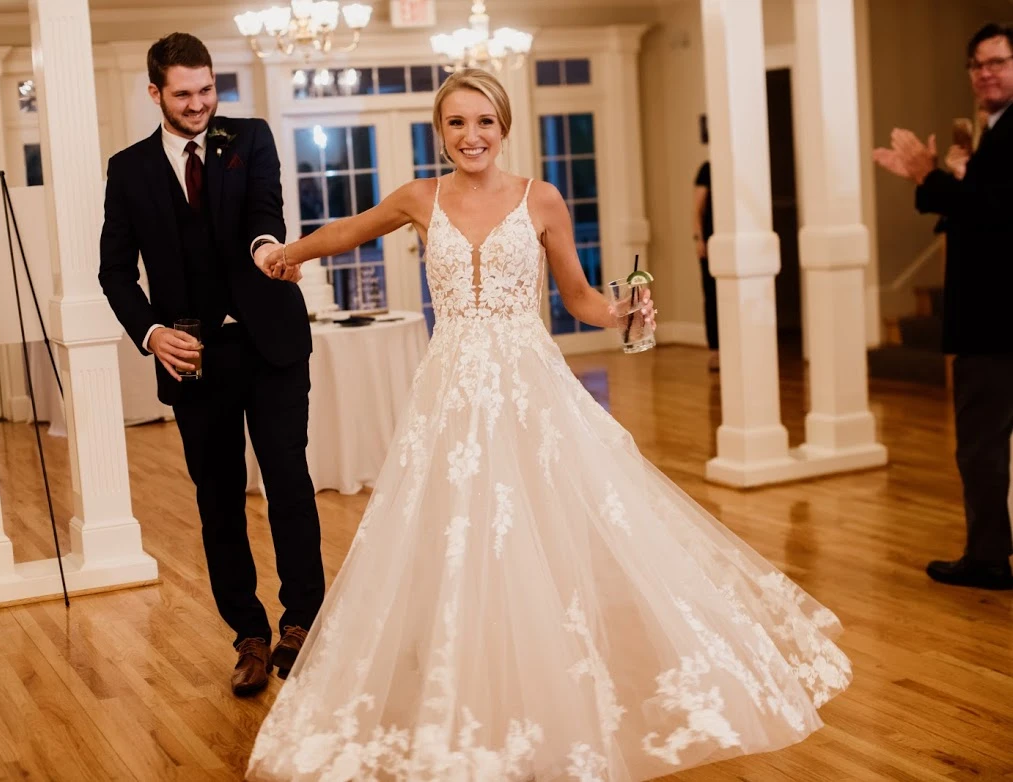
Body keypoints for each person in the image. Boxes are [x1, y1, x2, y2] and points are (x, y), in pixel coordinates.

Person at [246, 69, 850, 781]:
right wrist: (282, 253)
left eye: (484, 123)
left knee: (543, 524)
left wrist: (623, 312)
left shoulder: (541, 199)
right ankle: (469, 673)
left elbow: (579, 297)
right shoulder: (418, 198)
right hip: (449, 388)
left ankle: (554, 678)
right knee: (452, 527)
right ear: (440, 133)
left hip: (528, 381)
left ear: (503, 128)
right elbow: (347, 232)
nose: (470, 136)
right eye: (456, 124)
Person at [97, 32, 325, 697]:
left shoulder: (248, 138)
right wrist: (150, 333)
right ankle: (248, 637)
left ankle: (301, 623)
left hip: (271, 345)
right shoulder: (129, 169)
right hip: (194, 360)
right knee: (218, 501)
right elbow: (113, 274)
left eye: (206, 90)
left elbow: (264, 213)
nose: (199, 105)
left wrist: (267, 249)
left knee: (288, 481)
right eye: (183, 94)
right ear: (155, 93)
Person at [873, 22, 1013, 591]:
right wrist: (954, 176)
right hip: (995, 315)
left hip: (996, 318)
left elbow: (995, 214)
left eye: (998, 62)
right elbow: (986, 208)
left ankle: (987, 558)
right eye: (978, 65)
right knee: (985, 442)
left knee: (981, 443)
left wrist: (929, 176)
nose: (986, 72)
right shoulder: (994, 131)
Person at [693, 122, 719, 372]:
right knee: (711, 295)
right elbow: (697, 207)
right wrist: (699, 238)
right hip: (710, 241)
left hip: (728, 240)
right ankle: (715, 350)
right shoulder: (707, 170)